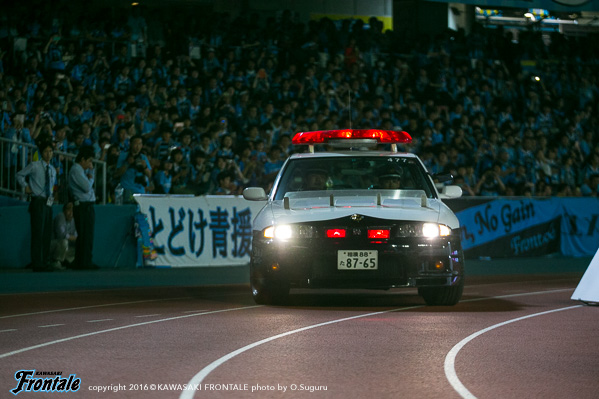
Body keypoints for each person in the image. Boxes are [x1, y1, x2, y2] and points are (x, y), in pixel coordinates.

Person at [16, 139, 57, 271]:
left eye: (50, 151)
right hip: (38, 200)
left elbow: (51, 186)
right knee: (38, 233)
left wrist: (51, 198)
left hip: (48, 202)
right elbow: (19, 175)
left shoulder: (52, 170)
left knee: (46, 233)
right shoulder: (35, 165)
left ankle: (44, 261)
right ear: (41, 153)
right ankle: (37, 262)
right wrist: (26, 186)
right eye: (46, 151)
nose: (48, 154)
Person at [68, 145, 97, 270]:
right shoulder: (76, 170)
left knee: (87, 235)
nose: (90, 164)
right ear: (83, 160)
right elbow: (86, 187)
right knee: (85, 235)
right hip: (82, 206)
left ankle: (84, 260)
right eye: (89, 160)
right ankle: (84, 262)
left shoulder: (81, 170)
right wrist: (91, 176)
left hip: (87, 206)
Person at [115, 135, 152, 202]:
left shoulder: (143, 157)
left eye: (140, 144)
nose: (138, 146)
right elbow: (117, 173)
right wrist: (127, 164)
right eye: (135, 143)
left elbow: (149, 175)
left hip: (140, 189)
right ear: (130, 144)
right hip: (127, 188)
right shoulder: (123, 156)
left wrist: (145, 167)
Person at [50, 202, 77, 269]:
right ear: (64, 210)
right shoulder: (60, 216)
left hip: (64, 247)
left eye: (72, 210)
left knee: (80, 246)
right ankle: (56, 262)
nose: (71, 213)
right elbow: (61, 235)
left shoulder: (73, 220)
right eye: (68, 210)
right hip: (52, 245)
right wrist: (75, 238)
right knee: (64, 242)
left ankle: (65, 262)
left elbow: (76, 236)